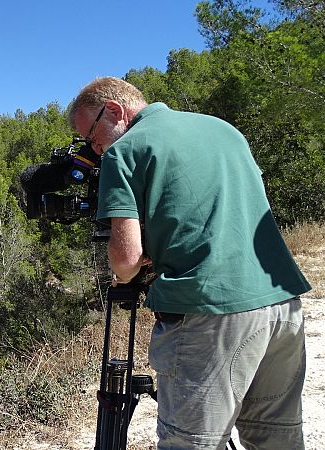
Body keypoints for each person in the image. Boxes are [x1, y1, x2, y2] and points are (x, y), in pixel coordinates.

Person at [67, 77, 311, 449]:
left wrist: (134, 263)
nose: (95, 150)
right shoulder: (223, 130)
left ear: (115, 111)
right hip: (281, 302)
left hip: (208, 311)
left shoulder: (125, 150)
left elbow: (126, 262)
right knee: (277, 439)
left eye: (92, 137)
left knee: (192, 442)